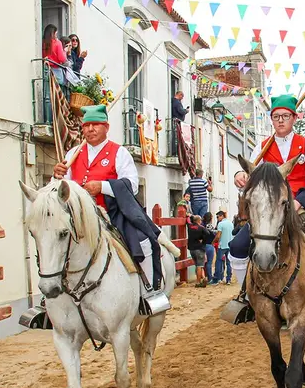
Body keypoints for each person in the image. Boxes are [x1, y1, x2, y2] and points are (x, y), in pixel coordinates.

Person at [230, 95, 305, 299]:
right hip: (269, 208)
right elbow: (251, 177)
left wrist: (298, 201)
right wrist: (239, 176)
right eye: (276, 116)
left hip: (300, 203)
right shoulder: (262, 147)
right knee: (237, 247)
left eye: (285, 116)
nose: (281, 120)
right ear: (271, 119)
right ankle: (246, 296)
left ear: (294, 118)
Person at [53, 105, 166, 297]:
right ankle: (51, 298)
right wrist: (57, 176)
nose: (90, 129)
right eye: (86, 125)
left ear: (106, 127)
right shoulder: (72, 154)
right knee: (52, 244)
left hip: (111, 215)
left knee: (143, 241)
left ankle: (149, 291)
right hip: (77, 218)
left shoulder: (119, 153)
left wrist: (102, 187)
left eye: (95, 125)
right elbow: (60, 190)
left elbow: (131, 185)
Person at [187, 215, 213, 287]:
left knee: (197, 265)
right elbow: (208, 234)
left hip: (192, 249)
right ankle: (198, 282)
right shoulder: (201, 228)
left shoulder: (189, 226)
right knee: (200, 265)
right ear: (199, 221)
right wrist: (203, 240)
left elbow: (188, 221)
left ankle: (203, 278)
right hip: (199, 248)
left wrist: (188, 216)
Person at [213, 210, 234, 285]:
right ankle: (228, 279)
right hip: (230, 245)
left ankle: (218, 278)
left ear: (222, 216)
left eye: (218, 217)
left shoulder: (221, 224)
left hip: (222, 245)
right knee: (229, 263)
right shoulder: (231, 224)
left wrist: (213, 242)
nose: (217, 218)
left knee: (218, 262)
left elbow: (218, 236)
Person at [203, 212, 216, 281]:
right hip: (210, 245)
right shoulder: (209, 226)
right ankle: (210, 277)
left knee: (205, 262)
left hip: (204, 245)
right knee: (209, 262)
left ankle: (206, 276)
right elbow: (214, 234)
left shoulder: (203, 225)